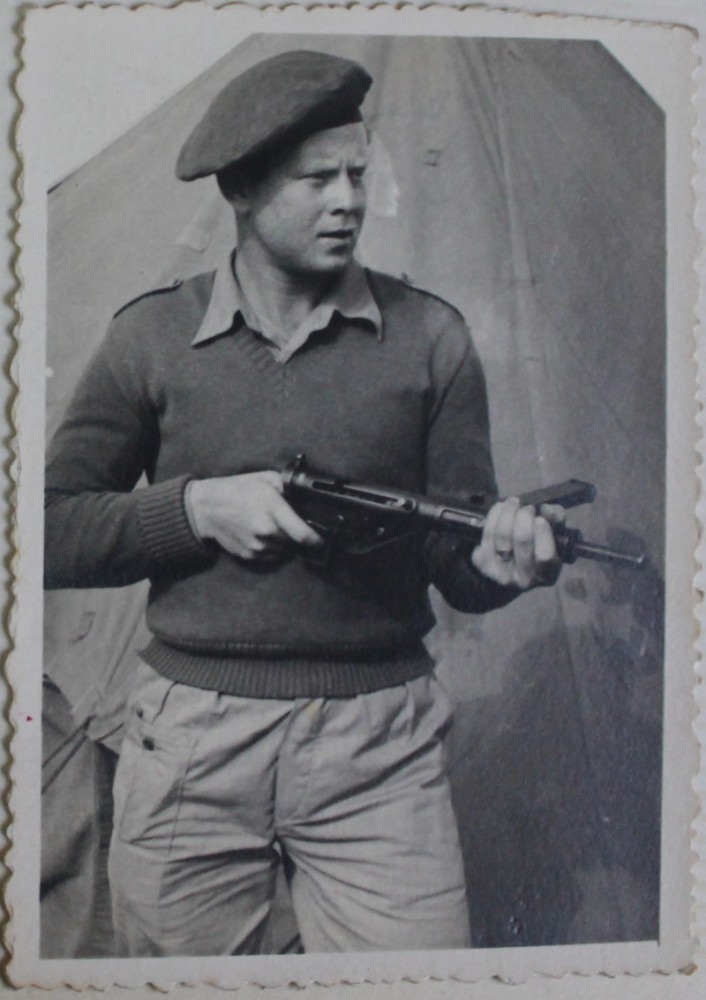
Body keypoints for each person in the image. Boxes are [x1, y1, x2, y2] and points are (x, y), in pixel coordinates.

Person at [44, 50, 563, 956]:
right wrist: (195, 510)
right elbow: (46, 533)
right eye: (317, 179)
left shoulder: (432, 337)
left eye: (358, 173)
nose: (348, 201)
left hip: (381, 751)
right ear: (240, 189)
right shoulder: (149, 337)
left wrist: (499, 564)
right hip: (191, 746)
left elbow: (457, 565)